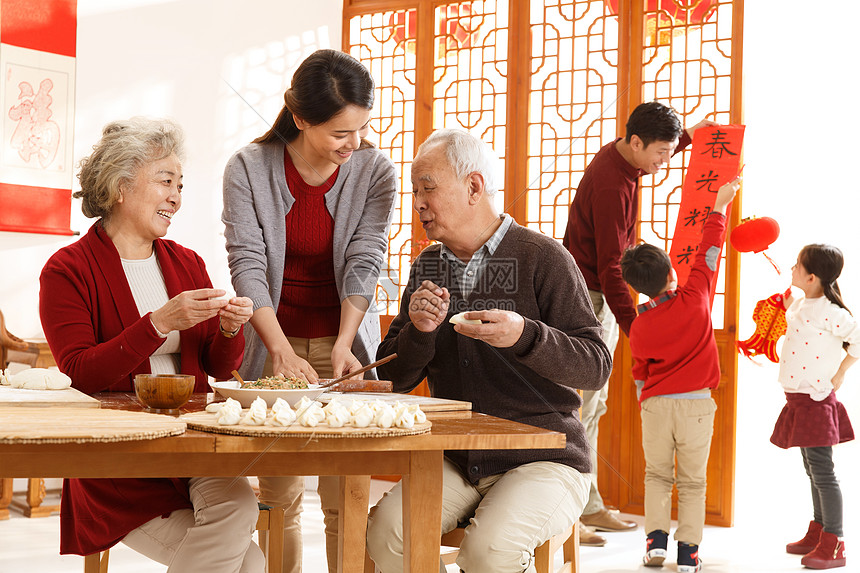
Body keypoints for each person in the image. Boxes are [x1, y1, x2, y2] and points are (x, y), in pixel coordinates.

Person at [365, 129, 612, 573]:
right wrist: (419, 331)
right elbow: (393, 380)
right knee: (387, 535)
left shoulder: (544, 257)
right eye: (415, 189)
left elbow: (595, 365)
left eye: (428, 187)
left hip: (546, 457)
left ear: (474, 187)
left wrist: (526, 335)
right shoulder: (429, 265)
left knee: (487, 553)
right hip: (457, 456)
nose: (418, 202)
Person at [39, 118, 264, 572]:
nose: (176, 197)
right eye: (165, 181)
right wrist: (158, 322)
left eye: (180, 184)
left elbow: (218, 367)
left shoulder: (187, 262)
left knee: (239, 506)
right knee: (250, 564)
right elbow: (81, 372)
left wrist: (228, 328)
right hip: (121, 461)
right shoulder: (67, 270)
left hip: (192, 446)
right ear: (121, 186)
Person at [222, 48, 397, 573]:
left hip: (342, 338)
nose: (355, 143)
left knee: (346, 496)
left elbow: (367, 257)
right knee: (278, 496)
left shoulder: (375, 170)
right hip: (272, 337)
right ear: (299, 118)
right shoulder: (248, 169)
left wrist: (344, 343)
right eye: (340, 133)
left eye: (362, 128)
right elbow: (247, 262)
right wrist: (276, 348)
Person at [562, 101, 715, 545]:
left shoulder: (625, 162)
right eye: (661, 153)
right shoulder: (613, 186)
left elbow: (653, 154)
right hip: (592, 298)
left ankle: (585, 507)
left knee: (591, 407)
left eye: (670, 151)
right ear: (634, 142)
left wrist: (689, 136)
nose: (664, 162)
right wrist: (637, 328)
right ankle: (574, 516)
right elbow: (612, 267)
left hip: (597, 294)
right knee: (582, 408)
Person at [620, 176, 740, 572]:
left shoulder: (638, 326)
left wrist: (647, 398)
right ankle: (688, 556)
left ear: (638, 287)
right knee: (692, 481)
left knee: (656, 475)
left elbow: (640, 372)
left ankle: (655, 546)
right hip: (696, 408)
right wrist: (720, 206)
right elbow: (710, 250)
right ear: (672, 272)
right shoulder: (697, 295)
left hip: (654, 406)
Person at [771, 244, 858, 569]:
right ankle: (820, 531)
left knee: (823, 473)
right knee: (812, 469)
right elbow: (797, 320)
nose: (791, 269)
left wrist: (841, 373)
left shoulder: (832, 313)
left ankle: (834, 542)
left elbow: (859, 337)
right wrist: (787, 303)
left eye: (797, 265)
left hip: (817, 401)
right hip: (797, 400)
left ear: (811, 277)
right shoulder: (804, 304)